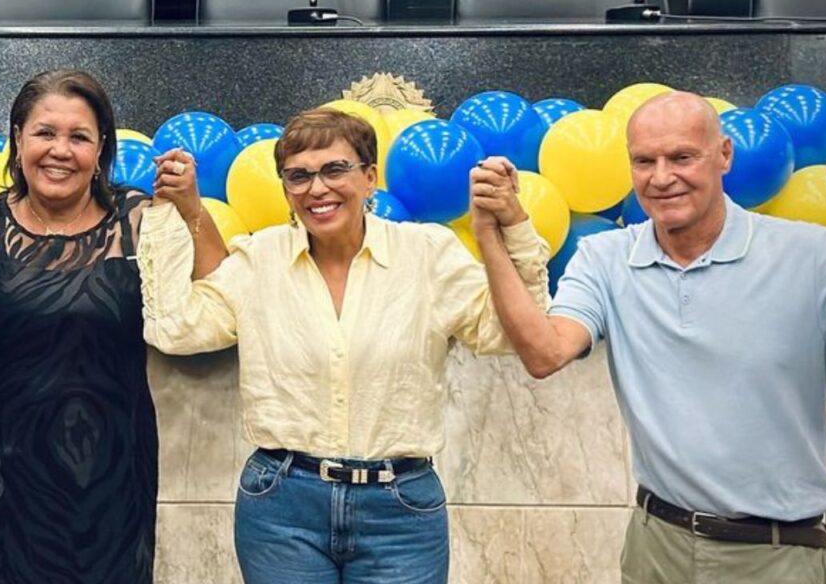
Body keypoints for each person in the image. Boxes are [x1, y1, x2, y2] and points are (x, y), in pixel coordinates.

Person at [136, 106, 551, 584]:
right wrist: (170, 208)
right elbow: (175, 328)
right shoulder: (259, 259)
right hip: (281, 508)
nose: (317, 188)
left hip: (402, 512)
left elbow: (512, 333)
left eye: (335, 169)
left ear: (370, 176)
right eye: (298, 176)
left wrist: (513, 223)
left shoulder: (427, 255)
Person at [478, 91, 826, 584]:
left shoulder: (814, 258)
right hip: (656, 548)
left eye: (682, 157)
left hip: (778, 557)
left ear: (725, 155)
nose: (661, 177)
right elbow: (545, 353)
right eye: (644, 161)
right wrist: (490, 235)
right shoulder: (605, 258)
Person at [0, 69, 174, 584]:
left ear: (100, 152)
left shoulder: (139, 219)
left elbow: (207, 297)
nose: (60, 150)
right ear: (17, 140)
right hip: (4, 477)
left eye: (79, 137)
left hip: (114, 474)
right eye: (45, 133)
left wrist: (191, 208)